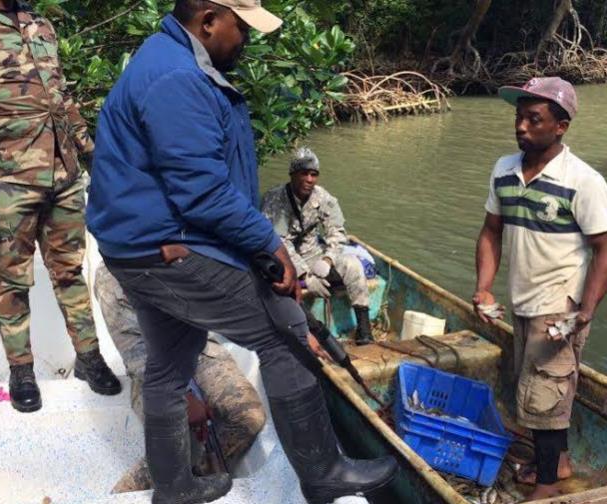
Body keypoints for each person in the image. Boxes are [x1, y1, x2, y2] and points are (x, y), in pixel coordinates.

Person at [85, 1, 398, 503]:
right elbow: (203, 192)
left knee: (169, 365)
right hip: (165, 249)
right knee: (286, 335)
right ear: (208, 20)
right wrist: (269, 244)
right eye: (241, 27)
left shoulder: (167, 58)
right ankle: (323, 474)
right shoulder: (177, 79)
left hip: (139, 248)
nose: (247, 39)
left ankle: (175, 487)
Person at [0, 0, 120, 413]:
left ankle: (88, 357)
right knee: (13, 280)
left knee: (69, 270)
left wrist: (94, 153)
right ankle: (22, 370)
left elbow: (61, 98)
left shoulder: (40, 23)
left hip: (63, 174)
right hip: (7, 179)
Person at [473, 77, 607, 501]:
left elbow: (604, 254)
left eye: (534, 118)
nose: (521, 126)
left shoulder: (583, 181)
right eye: (519, 117)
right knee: (539, 391)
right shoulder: (504, 170)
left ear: (561, 126)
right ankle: (561, 461)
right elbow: (489, 233)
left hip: (559, 306)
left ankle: (549, 486)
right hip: (521, 299)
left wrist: (584, 311)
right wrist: (484, 289)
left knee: (543, 396)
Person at [94, 262, 266, 493]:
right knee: (178, 437)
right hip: (153, 370)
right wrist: (183, 395)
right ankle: (129, 494)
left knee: (248, 416)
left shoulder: (190, 247)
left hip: (204, 352)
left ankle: (203, 476)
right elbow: (137, 353)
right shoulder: (112, 272)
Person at [261, 147, 374, 345]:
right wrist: (305, 276)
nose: (309, 179)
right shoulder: (274, 199)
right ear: (292, 174)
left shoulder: (323, 198)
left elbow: (336, 233)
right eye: (304, 173)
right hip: (283, 259)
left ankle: (364, 329)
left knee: (353, 265)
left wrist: (328, 259)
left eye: (314, 174)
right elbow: (279, 242)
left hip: (315, 254)